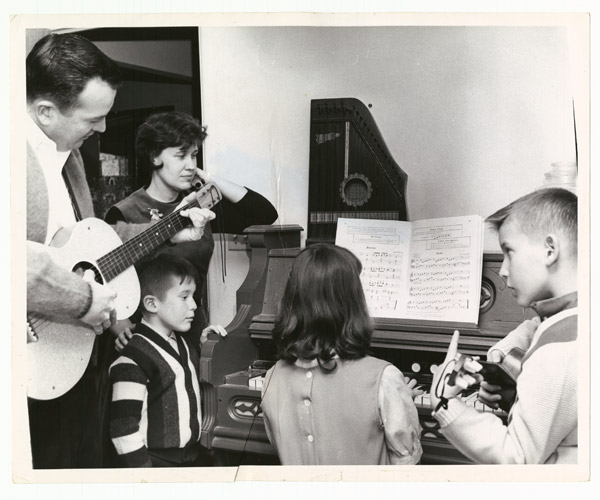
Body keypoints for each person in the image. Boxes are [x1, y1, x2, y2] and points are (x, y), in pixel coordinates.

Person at [26, 33, 215, 469]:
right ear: (45, 112)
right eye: (94, 117)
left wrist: (170, 232)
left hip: (71, 358)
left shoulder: (68, 156)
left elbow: (95, 245)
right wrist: (86, 300)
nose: (104, 129)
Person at [105, 110, 278, 350]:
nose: (190, 165)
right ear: (155, 157)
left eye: (194, 155)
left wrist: (211, 181)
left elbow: (265, 213)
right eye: (181, 156)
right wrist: (120, 325)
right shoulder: (124, 212)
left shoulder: (198, 206)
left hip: (191, 333)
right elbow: (105, 275)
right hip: (141, 336)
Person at [430, 187, 577, 464]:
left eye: (509, 252)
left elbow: (516, 457)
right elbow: (539, 324)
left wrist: (444, 402)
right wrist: (510, 366)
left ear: (550, 250)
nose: (502, 269)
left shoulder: (556, 354)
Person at [260, 243, 423, 465]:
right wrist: (398, 401)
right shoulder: (385, 378)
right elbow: (406, 462)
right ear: (352, 304)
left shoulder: (271, 377)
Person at [108, 254, 213, 467]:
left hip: (190, 459)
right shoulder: (133, 358)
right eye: (184, 297)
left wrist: (210, 347)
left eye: (193, 296)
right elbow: (123, 431)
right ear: (152, 304)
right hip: (156, 463)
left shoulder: (184, 344)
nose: (193, 305)